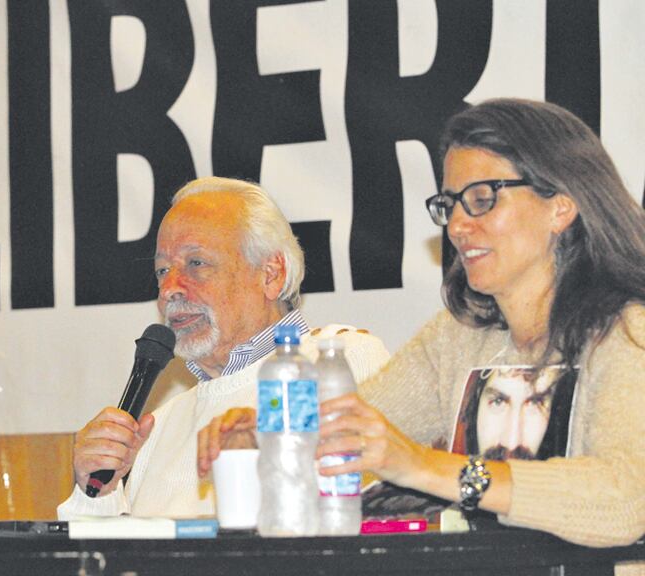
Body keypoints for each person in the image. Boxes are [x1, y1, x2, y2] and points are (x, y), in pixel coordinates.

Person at [198, 99, 645, 548]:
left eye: (481, 199)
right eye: (450, 205)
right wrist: (267, 437)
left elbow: (625, 501)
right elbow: (347, 439)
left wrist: (421, 465)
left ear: (560, 206)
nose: (457, 226)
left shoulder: (629, 332)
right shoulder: (456, 340)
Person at [57, 177, 390, 519]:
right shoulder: (160, 424)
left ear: (271, 275)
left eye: (196, 263)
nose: (170, 289)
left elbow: (356, 520)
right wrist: (98, 493)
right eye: (162, 270)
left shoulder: (340, 361)